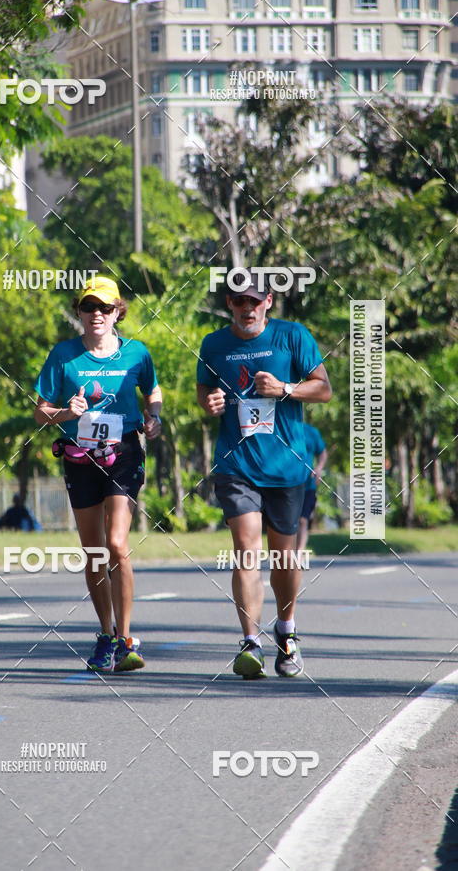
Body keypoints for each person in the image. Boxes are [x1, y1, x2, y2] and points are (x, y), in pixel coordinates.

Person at [196, 272, 332, 678]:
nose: (247, 309)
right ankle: (250, 642)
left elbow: (323, 389)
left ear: (268, 302)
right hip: (237, 465)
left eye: (254, 301)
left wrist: (287, 388)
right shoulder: (214, 344)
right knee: (246, 548)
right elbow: (203, 391)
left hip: (286, 467)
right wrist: (211, 401)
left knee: (284, 557)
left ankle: (286, 630)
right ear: (229, 305)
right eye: (239, 302)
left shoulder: (293, 336)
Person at [34, 276, 162, 673]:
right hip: (79, 456)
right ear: (79, 312)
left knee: (116, 544)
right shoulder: (64, 356)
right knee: (93, 551)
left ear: (117, 312)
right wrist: (65, 414)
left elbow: (152, 391)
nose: (97, 315)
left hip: (123, 453)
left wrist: (154, 416)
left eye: (105, 308)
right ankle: (106, 634)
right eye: (89, 307)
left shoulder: (136, 353)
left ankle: (125, 640)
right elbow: (41, 411)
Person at [297, 422, 328, 554]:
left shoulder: (311, 431)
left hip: (308, 484)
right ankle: (286, 554)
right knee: (289, 521)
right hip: (285, 484)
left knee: (303, 520)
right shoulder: (282, 427)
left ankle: (299, 553)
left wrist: (319, 468)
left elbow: (322, 453)